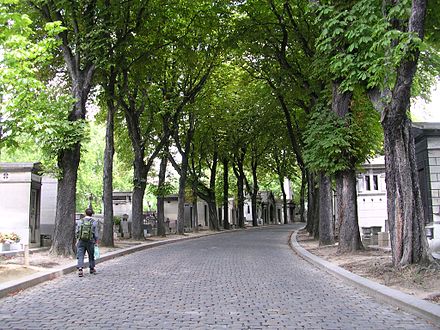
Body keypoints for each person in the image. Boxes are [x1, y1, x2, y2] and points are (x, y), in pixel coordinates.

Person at [76, 208, 99, 277]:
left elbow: (77, 231)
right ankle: (91, 268)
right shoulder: (94, 222)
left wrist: (77, 239)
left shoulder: (80, 221)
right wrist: (96, 241)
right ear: (92, 214)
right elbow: (96, 234)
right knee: (91, 255)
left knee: (80, 255)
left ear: (85, 213)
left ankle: (80, 269)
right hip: (90, 241)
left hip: (81, 241)